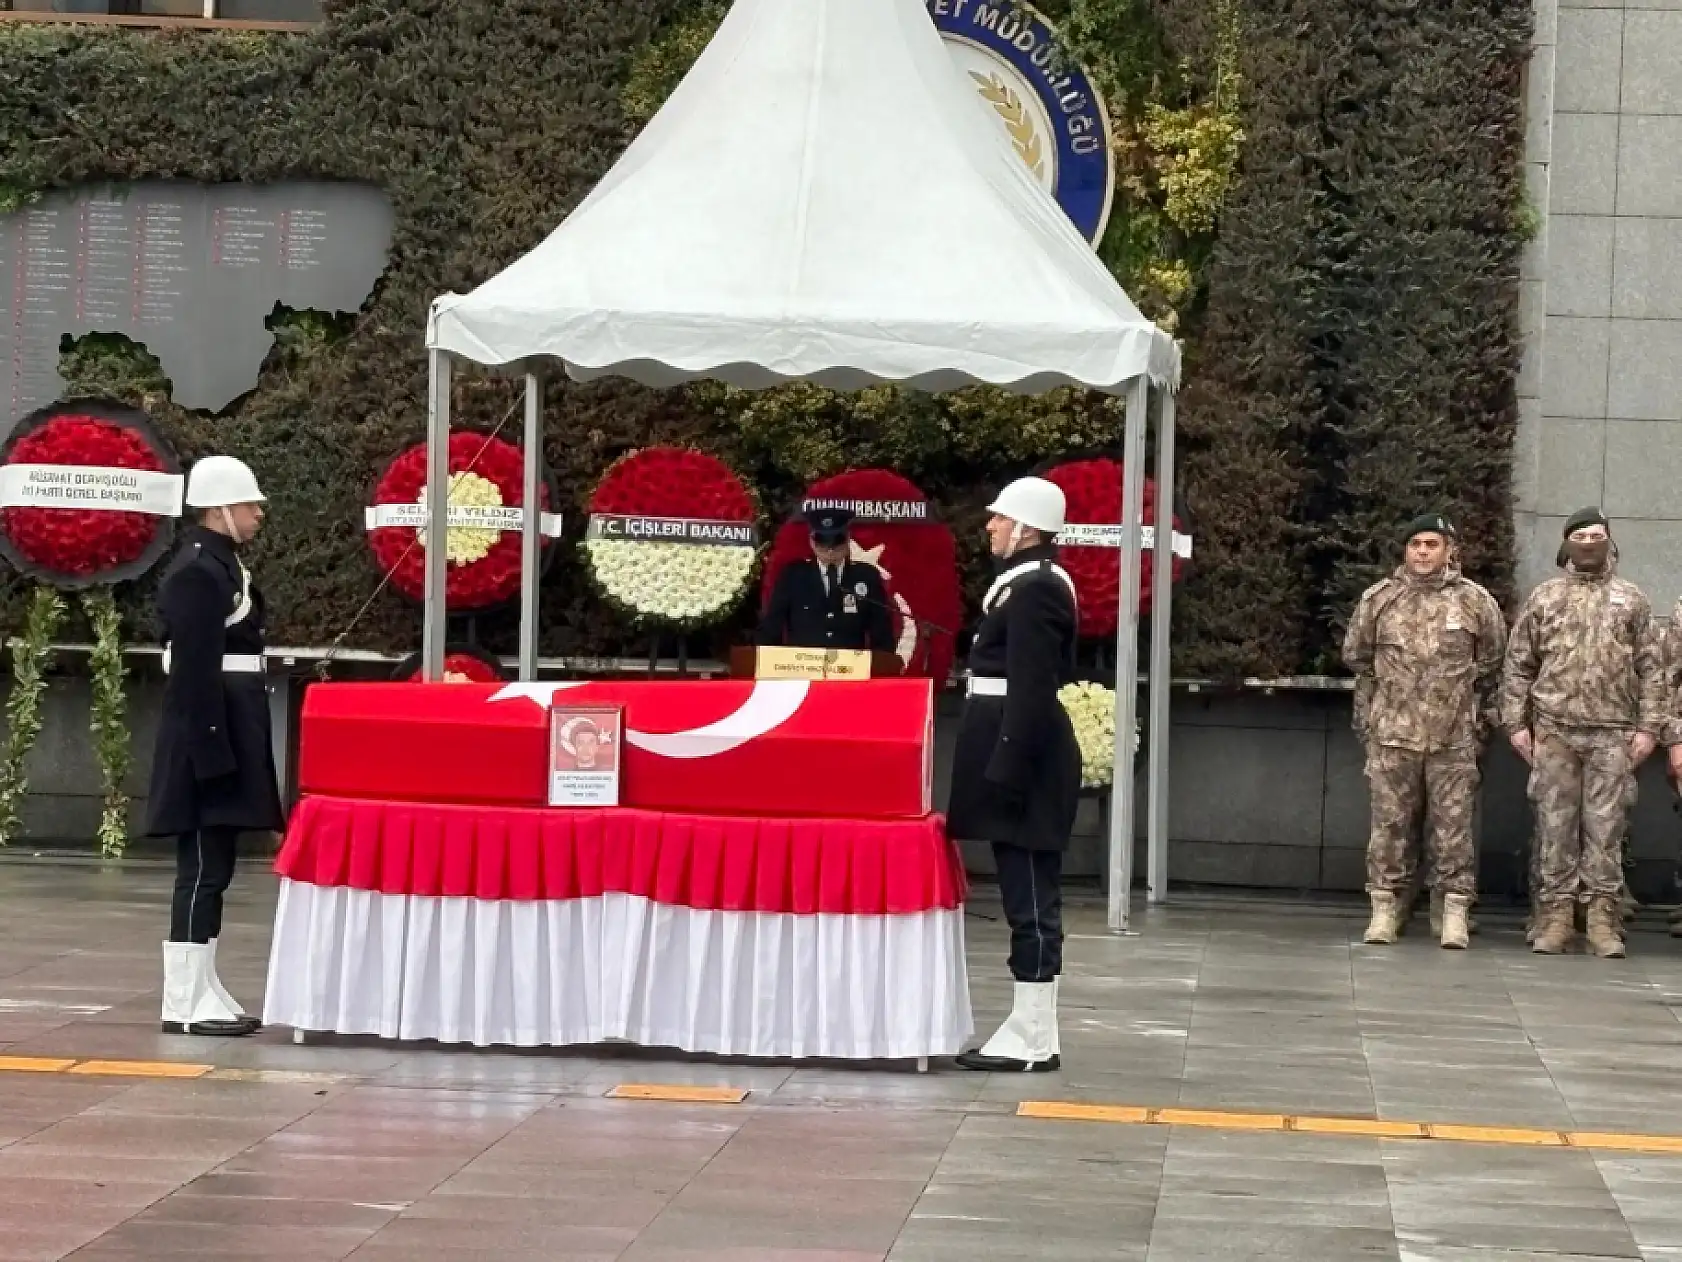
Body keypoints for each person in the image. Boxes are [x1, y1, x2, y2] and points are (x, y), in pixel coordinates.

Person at [147, 456, 283, 1036]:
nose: (257, 515)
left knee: (216, 869)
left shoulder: (221, 568)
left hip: (230, 725)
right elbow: (194, 675)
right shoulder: (199, 574)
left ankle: (203, 983)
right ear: (220, 508)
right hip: (211, 734)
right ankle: (182, 998)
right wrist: (211, 756)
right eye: (249, 505)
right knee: (201, 869)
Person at [948, 477, 1080, 1073]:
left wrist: (1005, 769)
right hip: (1012, 753)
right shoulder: (1024, 586)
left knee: (1029, 896)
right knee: (1024, 893)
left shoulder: (1037, 591)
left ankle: (1030, 1034)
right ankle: (1034, 1032)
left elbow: (1030, 689)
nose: (991, 527)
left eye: (1000, 519)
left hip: (1023, 760)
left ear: (1027, 528)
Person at [1502, 508, 1663, 957]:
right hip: (1554, 731)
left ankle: (1601, 919)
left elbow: (1653, 669)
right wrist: (1515, 724)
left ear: (1610, 542)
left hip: (1613, 734)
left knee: (1606, 830)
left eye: (1597, 535)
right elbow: (1518, 665)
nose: (1589, 542)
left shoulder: (1631, 600)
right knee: (1555, 827)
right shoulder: (1546, 597)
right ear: (1567, 543)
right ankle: (1555, 916)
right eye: (1580, 535)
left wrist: (1649, 728)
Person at [1343, 514, 1505, 949]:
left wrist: (1476, 724)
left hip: (1452, 739)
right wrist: (1371, 724)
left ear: (1450, 550)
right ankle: (1385, 907)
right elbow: (1358, 659)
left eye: (1432, 544)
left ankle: (1451, 910)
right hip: (1392, 737)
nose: (1422, 552)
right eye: (1415, 544)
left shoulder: (1475, 602)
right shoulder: (1381, 600)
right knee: (1389, 828)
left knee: (1453, 829)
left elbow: (1491, 664)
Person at [757, 507, 893, 652]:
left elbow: (882, 636)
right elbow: (771, 629)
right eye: (823, 542)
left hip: (850, 671)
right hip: (802, 668)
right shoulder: (793, 576)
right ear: (811, 541)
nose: (830, 550)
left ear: (848, 539)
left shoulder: (866, 577)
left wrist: (879, 668)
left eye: (837, 541)